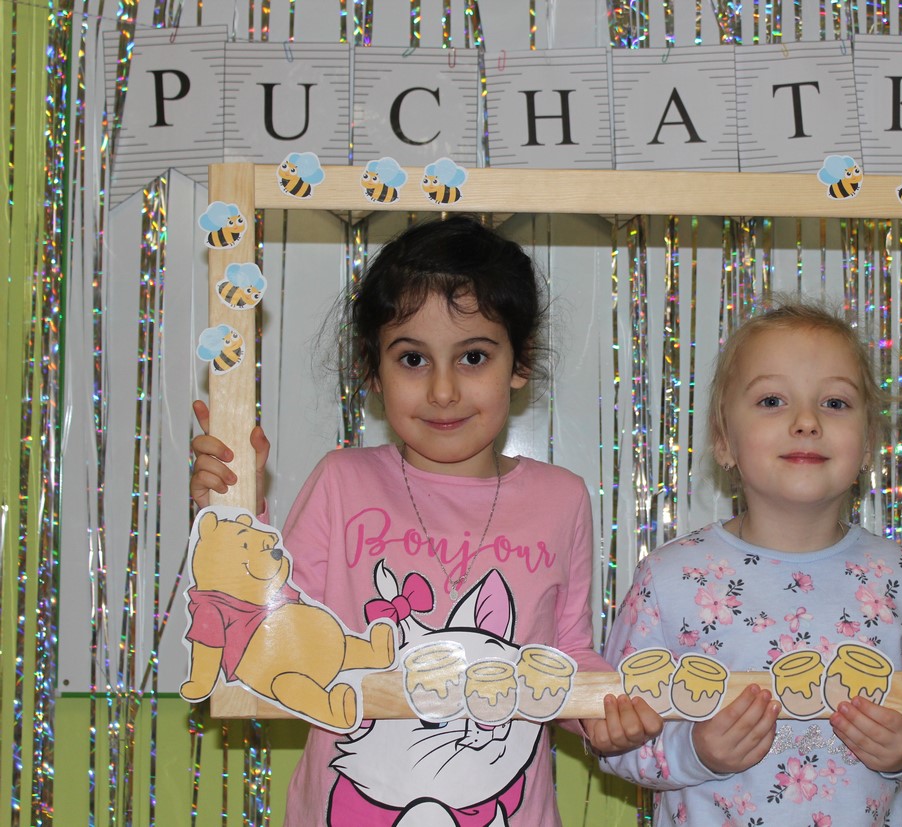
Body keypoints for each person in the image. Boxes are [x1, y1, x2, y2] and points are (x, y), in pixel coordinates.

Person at [190, 215, 662, 826]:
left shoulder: (561, 498)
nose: (442, 391)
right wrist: (234, 515)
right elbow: (273, 635)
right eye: (413, 359)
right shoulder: (342, 482)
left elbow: (566, 654)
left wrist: (604, 715)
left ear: (519, 363)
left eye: (473, 357)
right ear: (372, 370)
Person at [597, 299, 902, 826]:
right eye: (772, 400)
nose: (806, 422)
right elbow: (612, 737)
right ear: (723, 441)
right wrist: (696, 752)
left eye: (835, 402)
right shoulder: (668, 580)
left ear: (869, 443)